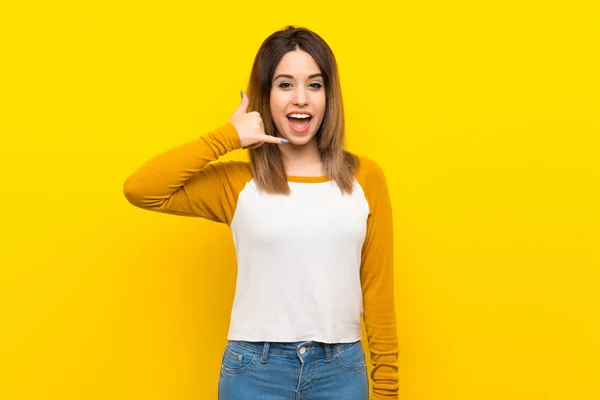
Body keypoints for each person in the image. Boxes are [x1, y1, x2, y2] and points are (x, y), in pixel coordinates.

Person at [123, 25, 399, 399]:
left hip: (341, 371)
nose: (300, 98)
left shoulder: (365, 178)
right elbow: (142, 189)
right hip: (255, 372)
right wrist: (228, 137)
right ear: (265, 96)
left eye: (314, 85)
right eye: (285, 84)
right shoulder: (238, 184)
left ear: (329, 96)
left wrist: (387, 389)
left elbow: (377, 290)